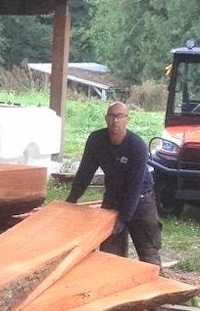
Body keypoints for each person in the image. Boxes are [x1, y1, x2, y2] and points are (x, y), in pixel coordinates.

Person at [66, 102, 161, 267]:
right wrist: (71, 200)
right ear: (106, 118)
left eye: (120, 116)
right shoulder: (96, 140)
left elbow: (134, 186)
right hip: (113, 197)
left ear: (127, 120)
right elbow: (84, 173)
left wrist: (124, 218)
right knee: (109, 253)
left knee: (148, 252)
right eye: (111, 116)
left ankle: (159, 287)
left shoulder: (136, 146)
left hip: (140, 199)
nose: (115, 121)